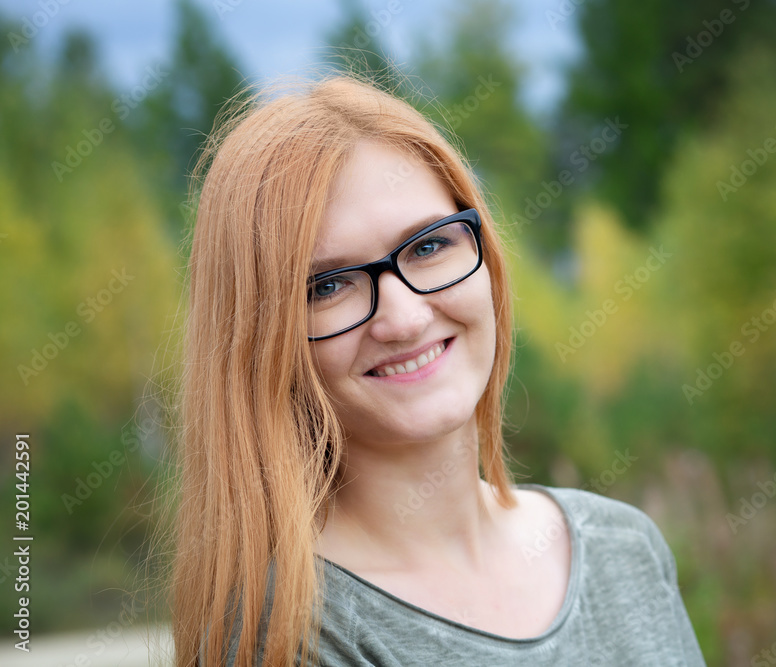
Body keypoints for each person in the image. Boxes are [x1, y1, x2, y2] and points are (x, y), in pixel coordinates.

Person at [168, 74, 706, 666]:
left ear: (484, 251)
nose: (404, 319)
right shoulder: (287, 635)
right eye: (328, 286)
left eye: (427, 246)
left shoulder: (624, 549)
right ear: (260, 341)